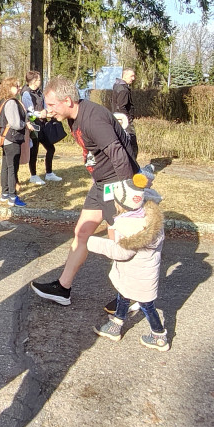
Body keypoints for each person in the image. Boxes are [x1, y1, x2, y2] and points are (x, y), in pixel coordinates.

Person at [31, 75, 138, 305]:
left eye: (51, 105)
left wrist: (126, 193)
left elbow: (118, 153)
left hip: (115, 184)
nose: (49, 110)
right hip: (100, 183)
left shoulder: (93, 118)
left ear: (67, 100)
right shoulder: (74, 117)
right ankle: (63, 287)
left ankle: (129, 297)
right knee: (81, 232)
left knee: (117, 240)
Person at [87, 172, 169, 351]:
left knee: (147, 306)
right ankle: (116, 324)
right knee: (123, 295)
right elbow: (149, 194)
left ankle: (159, 335)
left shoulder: (130, 229)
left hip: (138, 277)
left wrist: (91, 242)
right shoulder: (147, 219)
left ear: (120, 204)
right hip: (137, 274)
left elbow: (120, 252)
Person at [21, 70, 62, 184]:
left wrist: (48, 112)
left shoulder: (39, 92)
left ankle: (49, 173)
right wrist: (40, 114)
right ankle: (33, 175)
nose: (40, 81)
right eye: (39, 79)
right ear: (33, 81)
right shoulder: (26, 94)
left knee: (51, 148)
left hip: (42, 125)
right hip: (33, 126)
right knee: (34, 151)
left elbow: (44, 106)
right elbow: (28, 112)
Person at [0, 76, 33, 208]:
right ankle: (12, 196)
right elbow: (16, 123)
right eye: (16, 86)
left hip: (6, 138)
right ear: (9, 87)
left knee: (6, 166)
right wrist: (26, 124)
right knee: (12, 167)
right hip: (12, 138)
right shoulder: (12, 102)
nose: (19, 88)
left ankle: (5, 193)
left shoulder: (4, 101)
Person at [112, 67, 138, 158]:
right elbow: (121, 107)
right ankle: (133, 167)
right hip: (124, 121)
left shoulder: (117, 86)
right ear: (125, 76)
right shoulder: (123, 90)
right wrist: (128, 119)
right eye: (131, 76)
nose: (133, 78)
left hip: (118, 120)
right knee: (131, 143)